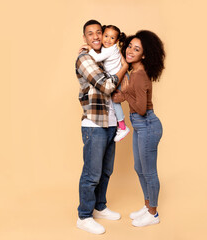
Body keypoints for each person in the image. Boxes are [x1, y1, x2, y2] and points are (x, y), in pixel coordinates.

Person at [75, 19, 128, 235]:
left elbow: (116, 94)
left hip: (111, 123)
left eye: (100, 32)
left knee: (106, 171)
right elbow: (107, 87)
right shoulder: (84, 58)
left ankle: (100, 206)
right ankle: (84, 216)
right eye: (91, 33)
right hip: (94, 124)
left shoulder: (105, 56)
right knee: (92, 174)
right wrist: (124, 67)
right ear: (85, 38)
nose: (97, 36)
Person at [113, 30, 165, 227]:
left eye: (137, 49)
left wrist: (125, 94)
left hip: (148, 125)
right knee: (139, 168)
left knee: (149, 172)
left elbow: (142, 108)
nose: (130, 51)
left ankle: (153, 213)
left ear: (144, 55)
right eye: (129, 47)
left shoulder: (139, 75)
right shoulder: (133, 72)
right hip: (141, 125)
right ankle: (147, 205)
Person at [81, 25, 130, 142]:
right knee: (115, 99)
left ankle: (122, 126)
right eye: (106, 36)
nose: (108, 40)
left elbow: (97, 58)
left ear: (116, 41)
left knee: (115, 99)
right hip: (117, 75)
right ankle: (121, 125)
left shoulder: (111, 49)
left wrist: (88, 48)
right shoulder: (106, 48)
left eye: (112, 38)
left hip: (120, 77)